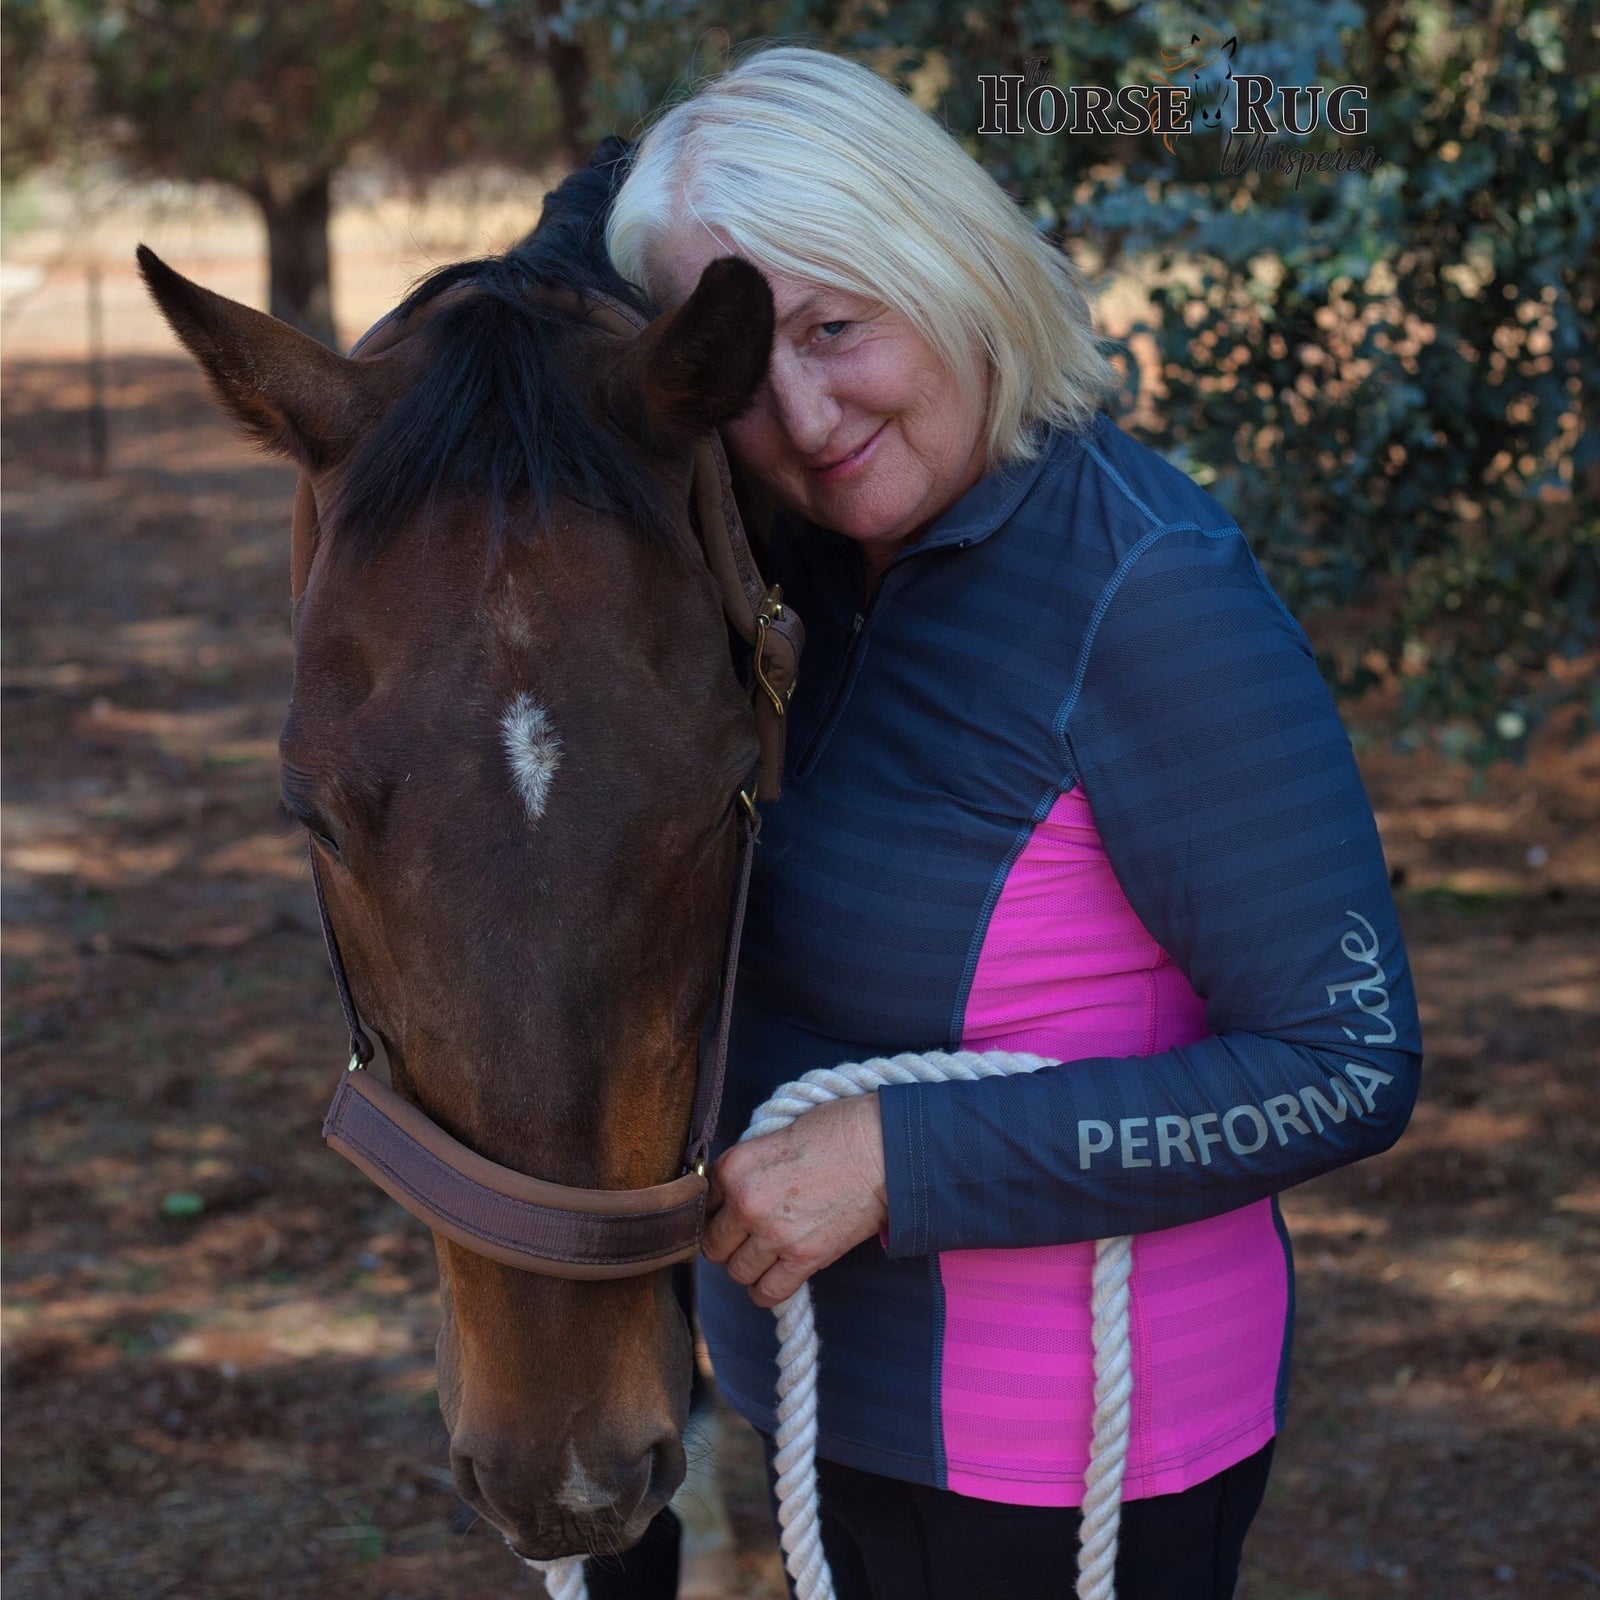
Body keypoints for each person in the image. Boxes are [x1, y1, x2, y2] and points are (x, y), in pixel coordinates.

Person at [601, 44, 1422, 1600]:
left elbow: (1348, 1067)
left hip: (1073, 1467)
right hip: (811, 1405)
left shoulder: (1147, 590)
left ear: (948, 264)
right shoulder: (779, 576)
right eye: (736, 372)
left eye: (839, 330)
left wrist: (908, 1160)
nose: (803, 414)